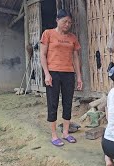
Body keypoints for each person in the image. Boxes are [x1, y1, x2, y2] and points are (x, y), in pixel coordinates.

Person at [40, 9, 82, 146]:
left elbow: (75, 58)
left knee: (67, 102)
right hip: (53, 72)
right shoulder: (48, 34)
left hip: (68, 73)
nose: (67, 24)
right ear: (57, 20)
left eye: (69, 22)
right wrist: (46, 73)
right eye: (64, 21)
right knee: (52, 103)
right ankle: (54, 135)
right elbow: (42, 55)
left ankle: (65, 133)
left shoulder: (72, 38)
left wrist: (79, 77)